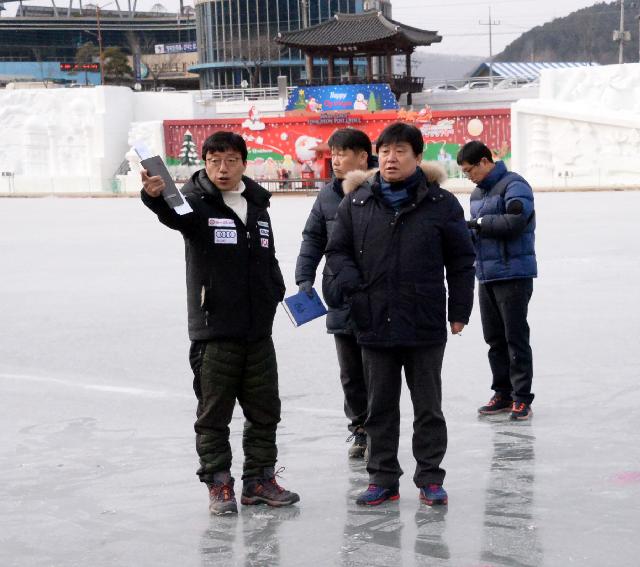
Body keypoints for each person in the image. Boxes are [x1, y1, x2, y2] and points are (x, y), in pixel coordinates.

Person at [140, 131, 299, 516]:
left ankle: (259, 481)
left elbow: (268, 257)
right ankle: (219, 484)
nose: (222, 168)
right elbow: (171, 215)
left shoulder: (258, 207)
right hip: (215, 331)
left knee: (265, 411)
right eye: (213, 161)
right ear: (205, 164)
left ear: (244, 162)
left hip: (258, 332)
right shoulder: (195, 206)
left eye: (229, 160)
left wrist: (275, 291)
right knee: (214, 415)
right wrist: (153, 196)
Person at [324, 122, 475, 507]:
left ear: (418, 157)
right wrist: (354, 287)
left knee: (428, 407)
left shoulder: (441, 204)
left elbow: (460, 261)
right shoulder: (356, 202)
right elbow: (337, 251)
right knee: (379, 408)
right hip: (373, 319)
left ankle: (430, 478)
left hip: (423, 321)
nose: (391, 158)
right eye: (385, 150)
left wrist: (459, 309)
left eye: (401, 151)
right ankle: (382, 478)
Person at [294, 128, 374, 459]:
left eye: (343, 153)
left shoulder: (380, 191)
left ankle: (379, 429)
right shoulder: (326, 195)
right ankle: (359, 428)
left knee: (377, 370)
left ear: (362, 157)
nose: (336, 159)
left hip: (375, 295)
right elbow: (313, 238)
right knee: (350, 372)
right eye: (334, 153)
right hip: (339, 294)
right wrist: (304, 278)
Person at [457, 141, 537, 421]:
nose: (469, 177)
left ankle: (522, 397)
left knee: (515, 337)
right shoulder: (477, 194)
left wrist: (478, 225)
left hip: (513, 273)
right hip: (487, 275)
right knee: (494, 339)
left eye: (470, 171)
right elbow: (476, 231)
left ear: (483, 162)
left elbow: (515, 222)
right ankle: (502, 392)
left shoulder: (515, 185)